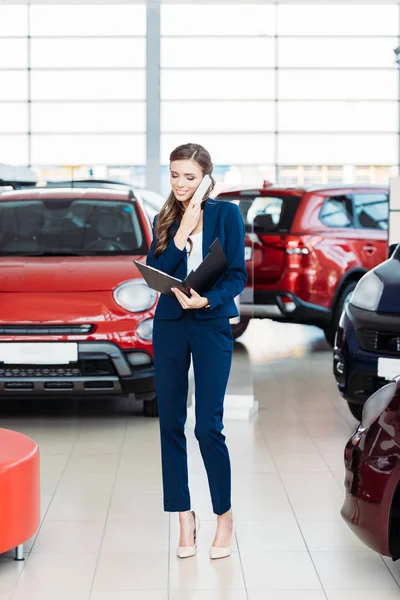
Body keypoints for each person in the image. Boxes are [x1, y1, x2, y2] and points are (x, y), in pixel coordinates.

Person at [146, 142, 247, 559]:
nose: (180, 184)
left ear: (206, 177)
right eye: (174, 175)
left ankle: (224, 516)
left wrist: (207, 299)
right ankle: (184, 516)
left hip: (209, 325)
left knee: (207, 426)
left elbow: (237, 274)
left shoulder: (227, 215)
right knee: (170, 422)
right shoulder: (164, 217)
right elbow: (158, 271)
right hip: (169, 326)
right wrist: (182, 232)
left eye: (189, 176)